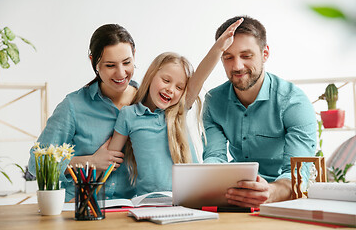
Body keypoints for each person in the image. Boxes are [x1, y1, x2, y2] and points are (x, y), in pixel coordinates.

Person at [108, 19, 244, 196]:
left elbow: (200, 75)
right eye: (166, 80)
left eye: (179, 87)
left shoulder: (179, 110)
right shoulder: (129, 115)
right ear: (151, 76)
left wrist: (219, 48)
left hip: (191, 196)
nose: (171, 90)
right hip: (148, 201)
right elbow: (111, 159)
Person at [202, 16, 317, 207]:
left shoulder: (294, 101)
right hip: (235, 196)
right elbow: (215, 158)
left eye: (246, 56)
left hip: (284, 198)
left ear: (265, 54)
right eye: (228, 57)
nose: (237, 66)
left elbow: (298, 174)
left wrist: (270, 192)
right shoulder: (214, 101)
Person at [28, 24, 138, 202]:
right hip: (79, 209)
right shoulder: (73, 106)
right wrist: (90, 162)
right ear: (93, 61)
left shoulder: (147, 102)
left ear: (134, 55)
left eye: (127, 62)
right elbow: (36, 163)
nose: (121, 73)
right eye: (110, 65)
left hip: (132, 210)